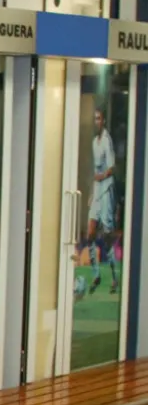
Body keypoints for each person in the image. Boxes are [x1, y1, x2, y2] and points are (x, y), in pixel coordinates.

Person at [86, 106, 118, 294]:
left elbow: (112, 168)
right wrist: (91, 192)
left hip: (106, 189)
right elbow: (94, 172)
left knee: (106, 238)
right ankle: (96, 275)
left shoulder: (107, 141)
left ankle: (114, 278)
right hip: (97, 190)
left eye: (99, 118)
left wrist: (102, 176)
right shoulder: (93, 142)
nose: (96, 122)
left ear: (103, 121)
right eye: (95, 119)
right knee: (90, 233)